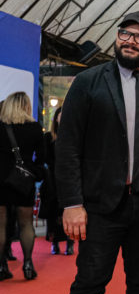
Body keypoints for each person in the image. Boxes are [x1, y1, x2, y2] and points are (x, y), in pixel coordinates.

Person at [57, 11, 139, 294]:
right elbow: (68, 146)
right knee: (89, 283)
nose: (130, 41)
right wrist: (72, 203)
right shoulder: (89, 82)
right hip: (101, 206)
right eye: (125, 34)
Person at [0, 91, 44, 281]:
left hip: (0, 180)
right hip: (23, 181)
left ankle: (1, 266)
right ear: (26, 105)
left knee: (0, 225)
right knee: (26, 223)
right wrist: (33, 171)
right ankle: (27, 264)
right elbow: (41, 159)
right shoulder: (34, 128)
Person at [40, 107, 74, 255]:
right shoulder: (49, 137)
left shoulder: (73, 136)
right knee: (53, 213)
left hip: (69, 178)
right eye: (61, 115)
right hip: (52, 180)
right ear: (56, 118)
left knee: (68, 210)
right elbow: (45, 158)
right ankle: (54, 242)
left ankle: (70, 242)